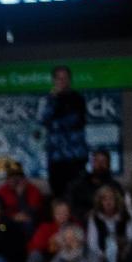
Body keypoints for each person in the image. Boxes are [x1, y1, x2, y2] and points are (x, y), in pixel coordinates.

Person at [39, 66, 89, 201]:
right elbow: (42, 120)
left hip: (75, 157)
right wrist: (53, 99)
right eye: (59, 78)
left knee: (78, 194)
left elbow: (76, 121)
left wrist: (56, 123)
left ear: (70, 80)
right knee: (59, 195)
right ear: (54, 81)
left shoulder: (78, 98)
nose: (62, 81)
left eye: (65, 78)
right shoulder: (47, 100)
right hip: (56, 159)